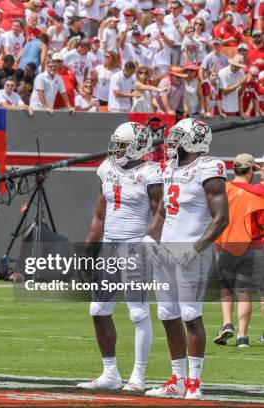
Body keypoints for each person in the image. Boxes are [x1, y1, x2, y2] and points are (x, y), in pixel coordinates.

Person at [144, 118, 228, 400]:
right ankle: (177, 379)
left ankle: (194, 382)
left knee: (191, 315)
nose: (172, 142)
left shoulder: (209, 167)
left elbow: (221, 218)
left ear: (194, 140)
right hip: (166, 251)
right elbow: (162, 213)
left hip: (192, 252)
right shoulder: (171, 168)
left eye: (179, 137)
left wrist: (195, 248)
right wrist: (150, 237)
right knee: (167, 315)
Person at [78, 122, 161, 392]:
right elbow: (100, 213)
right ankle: (110, 373)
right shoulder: (105, 168)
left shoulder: (151, 172)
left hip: (135, 245)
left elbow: (161, 214)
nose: (117, 150)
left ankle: (138, 376)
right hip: (109, 246)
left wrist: (151, 243)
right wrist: (89, 247)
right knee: (98, 310)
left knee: (137, 313)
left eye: (122, 145)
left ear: (139, 146)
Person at [213, 154, 264, 348]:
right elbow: (261, 223)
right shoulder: (255, 193)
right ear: (251, 170)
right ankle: (242, 336)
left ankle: (227, 322)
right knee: (244, 292)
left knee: (225, 288)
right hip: (250, 246)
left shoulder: (222, 190)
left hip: (225, 244)